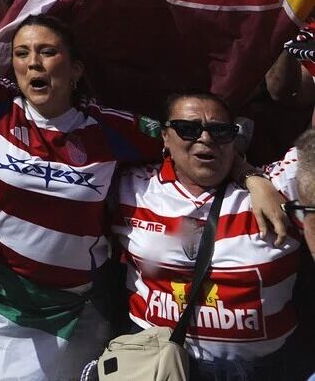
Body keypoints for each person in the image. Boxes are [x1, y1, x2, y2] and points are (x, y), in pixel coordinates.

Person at [0, 0, 289, 380]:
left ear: (75, 68)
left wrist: (252, 177)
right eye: (22, 54)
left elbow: (189, 137)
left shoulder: (112, 127)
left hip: (77, 313)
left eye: (47, 52)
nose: (33, 63)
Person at [109, 93, 304, 380]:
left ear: (234, 139)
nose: (205, 138)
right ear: (165, 137)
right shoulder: (130, 187)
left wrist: (252, 176)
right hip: (157, 367)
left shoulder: (280, 187)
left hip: (262, 370)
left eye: (220, 131)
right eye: (188, 129)